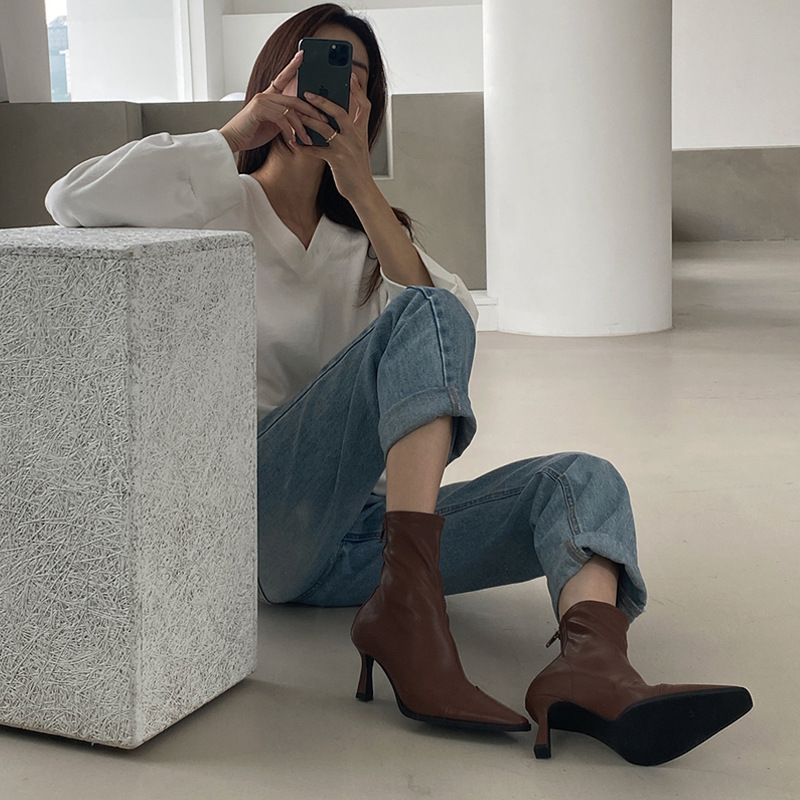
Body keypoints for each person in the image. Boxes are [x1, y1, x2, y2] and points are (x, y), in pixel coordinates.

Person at [45, 3, 752, 766]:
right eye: (317, 66)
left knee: (582, 481)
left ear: (368, 110)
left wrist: (360, 188)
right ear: (276, 77)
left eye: (355, 78)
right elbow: (71, 201)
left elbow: (450, 326)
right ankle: (411, 617)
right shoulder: (212, 207)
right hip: (260, 517)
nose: (334, 86)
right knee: (425, 308)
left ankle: (592, 669)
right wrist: (235, 133)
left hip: (365, 538)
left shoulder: (367, 241)